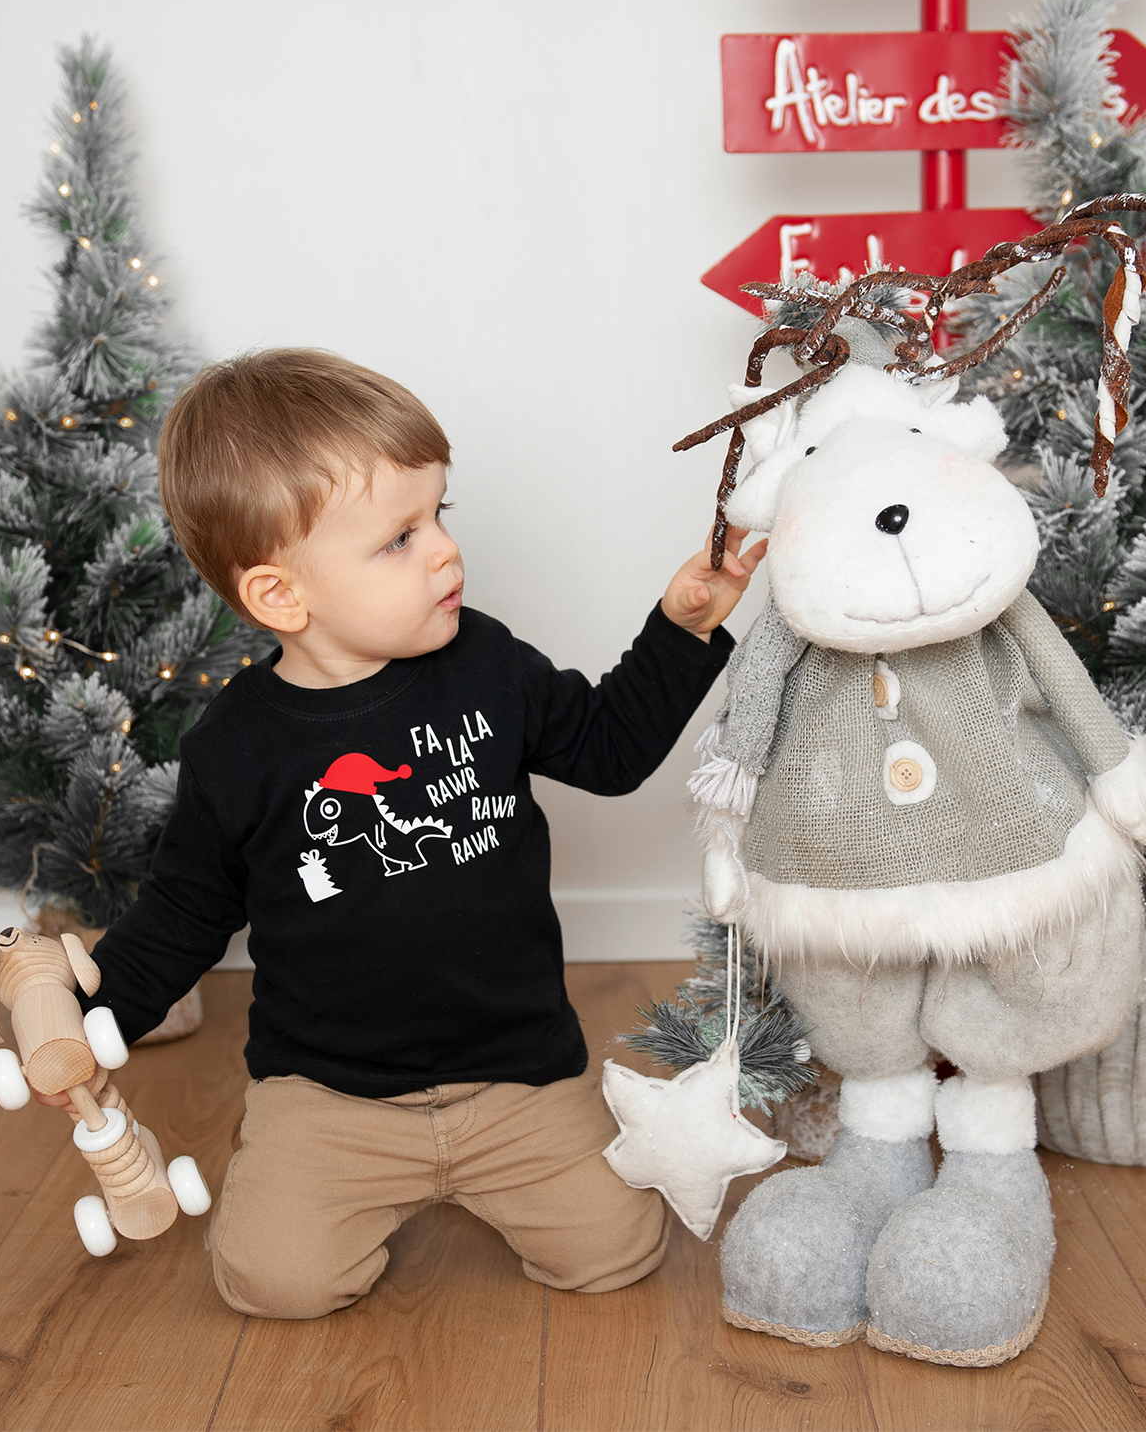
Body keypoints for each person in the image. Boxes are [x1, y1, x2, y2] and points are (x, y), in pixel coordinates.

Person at [59, 347, 765, 1318]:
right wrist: (95, 1025)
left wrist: (681, 632)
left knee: (616, 1248)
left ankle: (505, 1167)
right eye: (398, 538)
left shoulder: (486, 663)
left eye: (441, 515)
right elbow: (184, 910)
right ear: (279, 596)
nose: (444, 550)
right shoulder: (237, 748)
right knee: (276, 1283)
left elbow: (608, 751)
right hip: (331, 1094)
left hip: (515, 1073)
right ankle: (295, 1168)